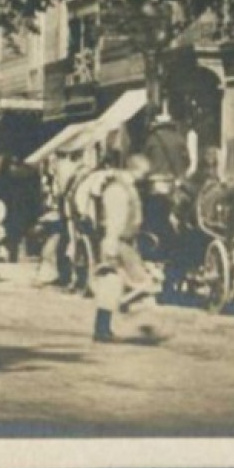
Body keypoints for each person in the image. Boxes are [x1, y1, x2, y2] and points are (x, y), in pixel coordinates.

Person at [91, 154, 157, 342]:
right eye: (143, 173)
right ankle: (110, 326)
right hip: (118, 242)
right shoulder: (118, 191)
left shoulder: (127, 188)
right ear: (134, 170)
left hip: (124, 241)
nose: (144, 177)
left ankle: (104, 327)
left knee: (115, 285)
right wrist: (111, 246)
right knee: (137, 283)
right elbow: (115, 220)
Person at [142, 108, 190, 180]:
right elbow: (187, 162)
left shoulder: (152, 140)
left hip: (156, 178)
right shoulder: (180, 139)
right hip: (176, 179)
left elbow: (145, 160)